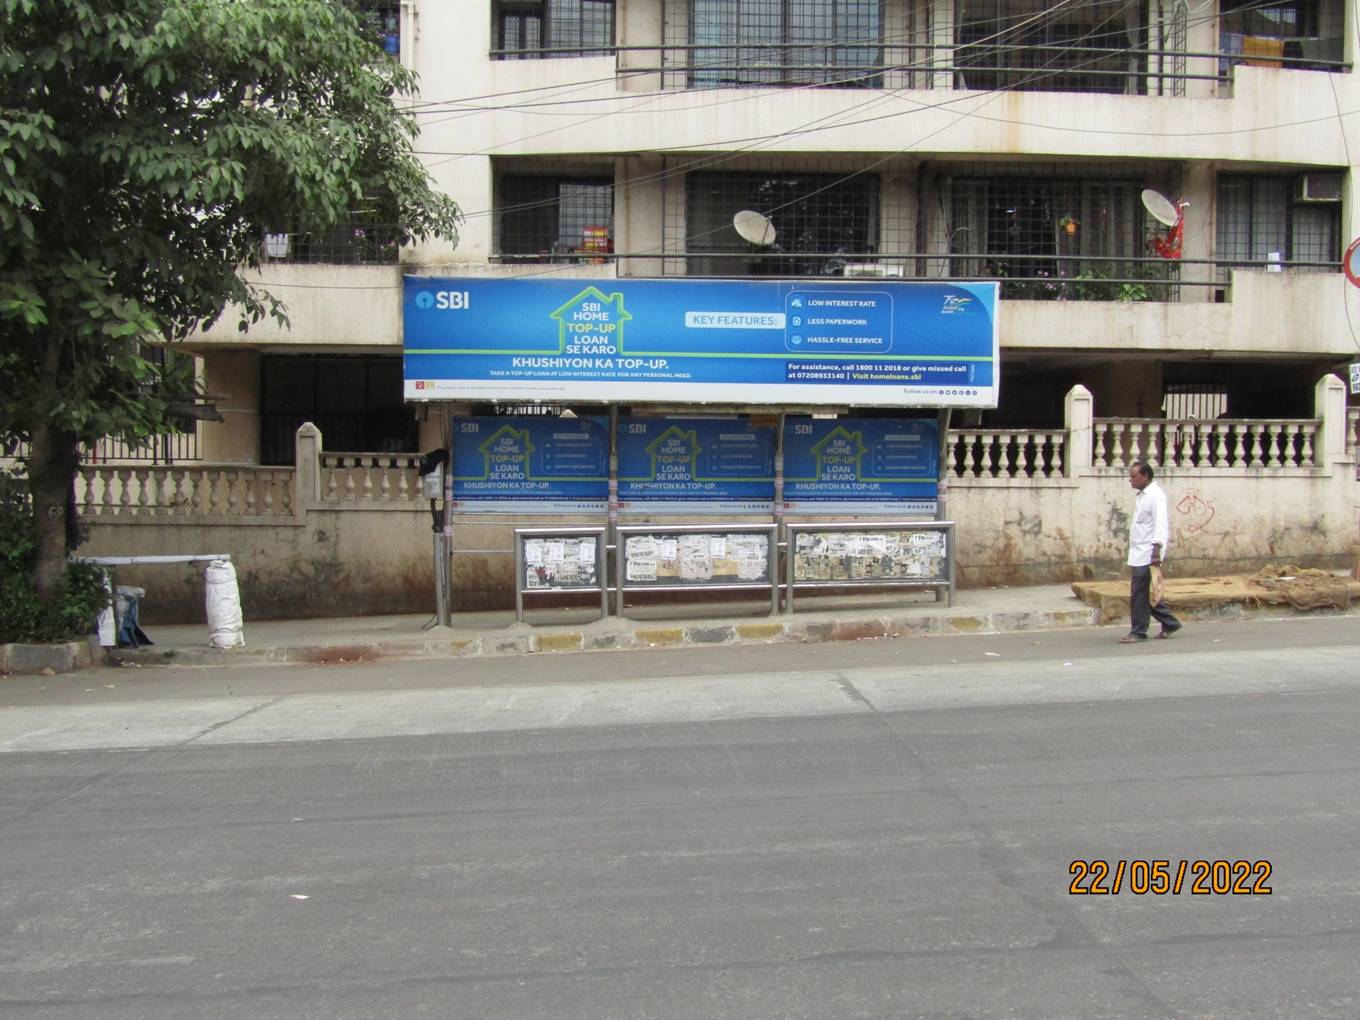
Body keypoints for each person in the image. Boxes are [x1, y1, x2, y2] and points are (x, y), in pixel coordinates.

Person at [1120, 460, 1183, 644]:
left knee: (1139, 592)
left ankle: (1138, 631)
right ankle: (1170, 622)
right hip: (1139, 551)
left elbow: (1160, 524)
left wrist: (1156, 550)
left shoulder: (1156, 495)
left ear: (1146, 476)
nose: (1131, 480)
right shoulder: (1142, 495)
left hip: (1148, 551)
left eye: (1134, 476)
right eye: (1130, 476)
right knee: (1144, 592)